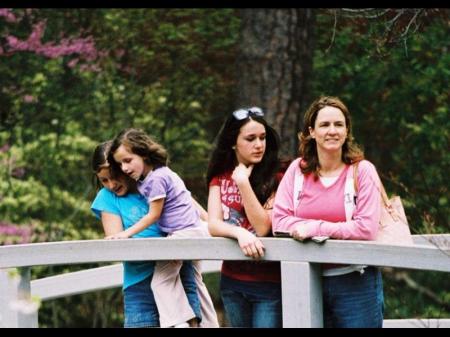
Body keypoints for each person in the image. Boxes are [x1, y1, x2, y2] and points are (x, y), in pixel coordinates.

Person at [272, 96, 384, 328]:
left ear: (347, 131)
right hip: (306, 280)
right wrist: (331, 228)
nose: (332, 131)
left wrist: (315, 228)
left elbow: (366, 228)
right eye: (324, 125)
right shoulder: (297, 170)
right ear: (312, 132)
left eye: (338, 124)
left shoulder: (362, 171)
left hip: (355, 282)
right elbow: (279, 221)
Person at [107, 129, 219, 328]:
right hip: (192, 230)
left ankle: (179, 323)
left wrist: (125, 233)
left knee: (160, 282)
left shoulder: (156, 179)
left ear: (143, 153)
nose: (124, 168)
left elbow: (154, 214)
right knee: (193, 280)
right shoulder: (161, 174)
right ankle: (209, 324)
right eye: (120, 164)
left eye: (127, 160)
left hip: (184, 235)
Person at [206, 107, 283, 328]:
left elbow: (262, 228)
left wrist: (243, 183)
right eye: (250, 139)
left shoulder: (277, 176)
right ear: (233, 142)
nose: (259, 144)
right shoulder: (219, 177)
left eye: (262, 137)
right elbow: (214, 224)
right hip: (232, 281)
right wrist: (239, 232)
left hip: (269, 283)